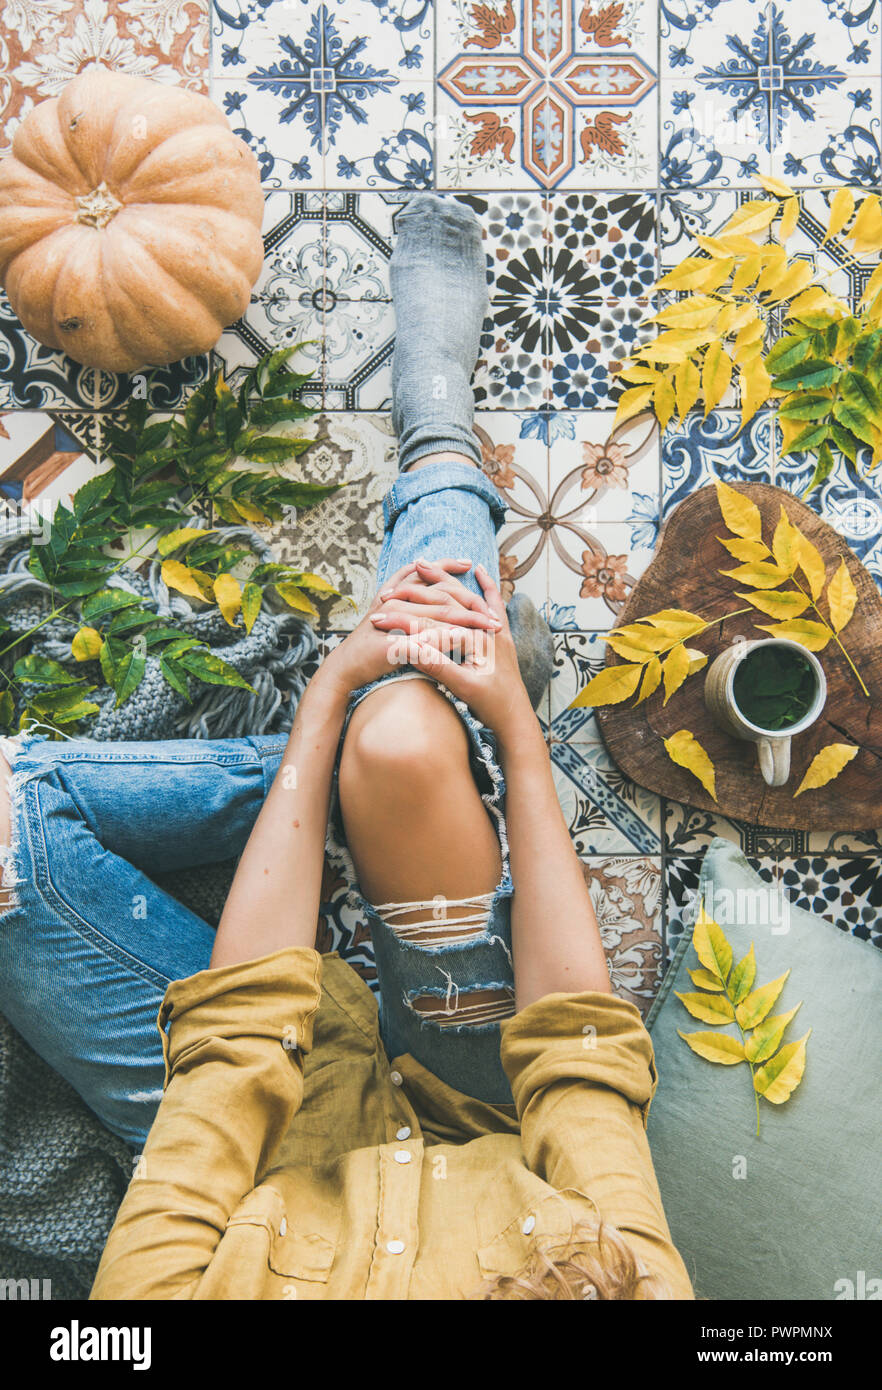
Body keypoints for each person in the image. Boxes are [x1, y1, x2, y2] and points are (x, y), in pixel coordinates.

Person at [0, 195, 692, 1300]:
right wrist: (514, 736)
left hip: (268, 1126)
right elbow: (576, 1061)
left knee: (3, 821)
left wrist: (322, 701)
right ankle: (437, 436)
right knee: (411, 738)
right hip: (478, 1084)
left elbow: (234, 1045)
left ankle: (339, 758)